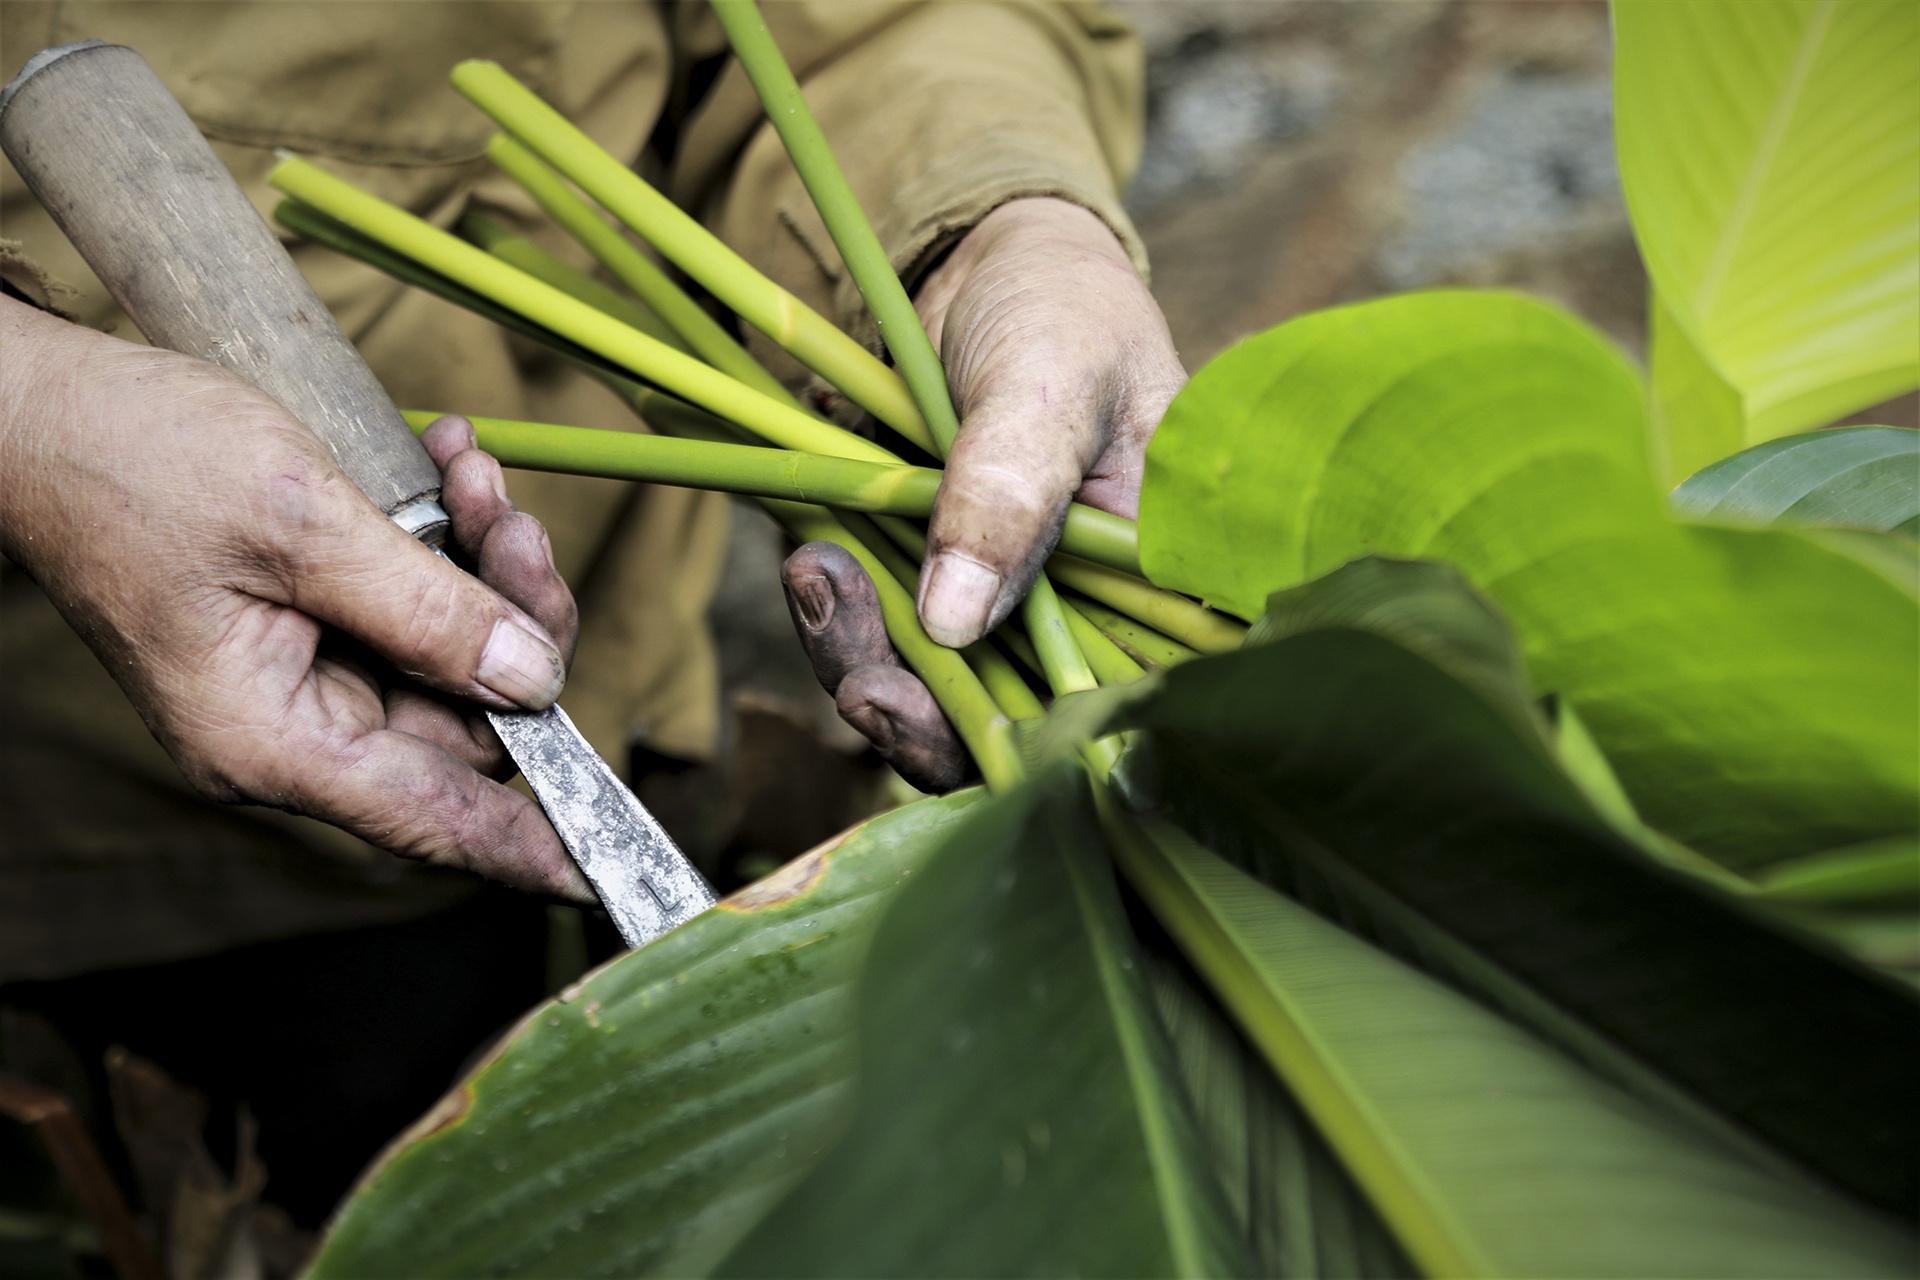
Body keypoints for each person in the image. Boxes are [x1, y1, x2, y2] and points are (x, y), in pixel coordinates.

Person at [0, 0, 1184, 973]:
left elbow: (873, 25)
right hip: (98, 826)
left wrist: (989, 235)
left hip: (598, 675)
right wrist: (30, 413)